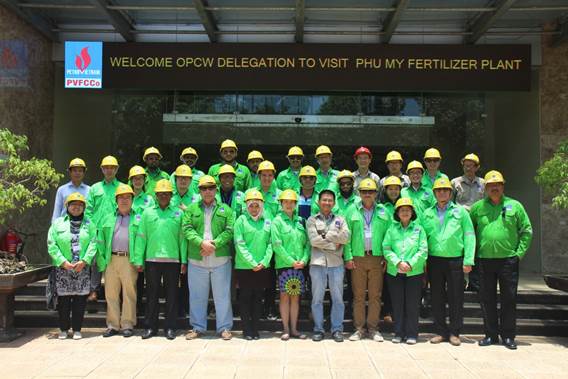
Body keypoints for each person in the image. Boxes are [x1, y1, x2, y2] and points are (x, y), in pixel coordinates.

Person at [470, 170, 533, 350]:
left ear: (503, 186)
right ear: (485, 188)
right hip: (484, 260)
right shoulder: (477, 208)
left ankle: (508, 336)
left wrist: (518, 254)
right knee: (486, 299)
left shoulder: (515, 206)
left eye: (497, 185)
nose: (494, 188)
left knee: (509, 299)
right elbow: (468, 233)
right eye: (490, 185)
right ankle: (490, 335)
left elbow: (527, 231)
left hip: (508, 261)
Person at [421, 178, 475, 346]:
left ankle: (455, 332)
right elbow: (421, 237)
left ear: (451, 193)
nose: (442, 193)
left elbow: (469, 235)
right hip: (434, 260)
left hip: (455, 260)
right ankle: (440, 331)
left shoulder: (461, 212)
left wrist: (469, 259)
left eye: (445, 190)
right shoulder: (427, 213)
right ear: (434, 193)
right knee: (436, 296)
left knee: (455, 296)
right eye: (439, 190)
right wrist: (422, 261)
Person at [133, 179, 187, 340]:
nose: (163, 196)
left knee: (172, 295)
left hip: (173, 261)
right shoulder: (147, 213)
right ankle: (150, 327)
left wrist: (183, 260)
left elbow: (182, 239)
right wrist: (138, 259)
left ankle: (170, 327)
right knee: (152, 295)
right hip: (152, 260)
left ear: (171, 195)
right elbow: (141, 237)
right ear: (156, 195)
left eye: (167, 193)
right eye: (160, 194)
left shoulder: (179, 213)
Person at [183, 175, 235, 341]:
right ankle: (197, 328)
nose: (207, 191)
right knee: (197, 296)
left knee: (222, 296)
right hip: (197, 259)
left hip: (220, 259)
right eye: (204, 188)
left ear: (216, 190)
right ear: (199, 191)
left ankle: (224, 328)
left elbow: (229, 230)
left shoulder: (226, 209)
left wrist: (214, 244)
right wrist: (202, 243)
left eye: (210, 188)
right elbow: (187, 229)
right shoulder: (191, 209)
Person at [344, 179, 390, 342]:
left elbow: (389, 235)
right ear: (359, 193)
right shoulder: (351, 210)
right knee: (358, 296)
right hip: (358, 257)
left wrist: (386, 256)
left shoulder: (384, 211)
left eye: (370, 191)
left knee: (375, 295)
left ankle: (373, 328)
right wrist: (348, 256)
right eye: (364, 191)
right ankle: (359, 329)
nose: (367, 194)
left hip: (377, 257)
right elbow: (346, 236)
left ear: (376, 193)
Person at [47, 192, 97, 340]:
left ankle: (77, 329)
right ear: (67, 206)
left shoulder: (90, 224)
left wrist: (85, 261)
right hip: (63, 268)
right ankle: (63, 329)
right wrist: (62, 261)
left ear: (84, 207)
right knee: (63, 300)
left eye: (80, 205)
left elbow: (94, 243)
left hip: (82, 268)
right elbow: (51, 244)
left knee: (80, 300)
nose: (76, 207)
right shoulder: (57, 224)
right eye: (73, 204)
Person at [382, 198, 428, 345]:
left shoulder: (419, 229)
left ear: (412, 212)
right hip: (394, 272)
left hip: (413, 272)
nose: (405, 212)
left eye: (408, 210)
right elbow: (386, 248)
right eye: (402, 210)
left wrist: (410, 263)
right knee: (397, 303)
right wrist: (397, 262)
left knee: (412, 304)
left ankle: (412, 333)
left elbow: (423, 250)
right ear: (397, 213)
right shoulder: (391, 229)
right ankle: (398, 332)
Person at [307, 190, 350, 342]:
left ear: (334, 202)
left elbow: (345, 237)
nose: (327, 203)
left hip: (336, 264)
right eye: (324, 200)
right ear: (319, 202)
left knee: (337, 298)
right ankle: (318, 329)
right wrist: (334, 244)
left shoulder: (340, 219)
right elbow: (313, 241)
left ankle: (337, 329)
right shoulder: (312, 220)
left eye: (330, 200)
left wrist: (326, 235)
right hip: (317, 264)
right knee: (317, 299)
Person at [97, 184, 140, 338]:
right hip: (111, 259)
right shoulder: (108, 217)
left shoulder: (138, 217)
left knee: (129, 292)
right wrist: (102, 260)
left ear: (132, 199)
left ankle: (127, 324)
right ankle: (113, 325)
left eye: (127, 197)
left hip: (129, 259)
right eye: (121, 197)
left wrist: (139, 260)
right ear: (116, 200)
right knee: (111, 293)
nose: (124, 200)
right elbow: (100, 240)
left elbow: (142, 240)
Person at [233, 189, 273, 340]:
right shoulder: (241, 221)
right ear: (246, 206)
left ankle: (255, 329)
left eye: (257, 205)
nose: (254, 209)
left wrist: (263, 262)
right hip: (245, 267)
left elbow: (271, 243)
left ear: (261, 206)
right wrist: (252, 262)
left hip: (262, 267)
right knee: (245, 298)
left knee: (258, 298)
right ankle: (246, 330)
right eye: (251, 205)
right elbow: (240, 244)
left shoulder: (267, 221)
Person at [271, 190, 310, 341]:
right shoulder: (277, 221)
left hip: (299, 265)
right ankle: (285, 329)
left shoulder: (301, 221)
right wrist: (290, 261)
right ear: (281, 204)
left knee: (296, 298)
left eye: (292, 202)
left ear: (296, 204)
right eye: (285, 202)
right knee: (285, 297)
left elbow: (307, 243)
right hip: (284, 265)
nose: (289, 204)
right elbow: (277, 245)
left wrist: (304, 260)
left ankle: (294, 329)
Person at [85, 155, 123, 303]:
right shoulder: (95, 188)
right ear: (102, 169)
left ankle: (111, 290)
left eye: (112, 168)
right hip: (97, 230)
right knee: (95, 261)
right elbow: (88, 210)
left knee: (112, 262)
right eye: (106, 167)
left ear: (116, 169)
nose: (109, 170)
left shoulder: (121, 187)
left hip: (115, 230)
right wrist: (90, 227)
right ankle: (94, 290)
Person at [451, 153, 485, 292]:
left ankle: (474, 282)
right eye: (466, 165)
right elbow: (450, 202)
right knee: (460, 251)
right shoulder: (455, 182)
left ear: (477, 167)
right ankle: (459, 282)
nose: (468, 168)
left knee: (475, 251)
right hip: (460, 222)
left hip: (478, 222)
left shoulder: (483, 183)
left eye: (471, 166)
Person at [255, 160, 281, 320]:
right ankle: (257, 308)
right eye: (263, 175)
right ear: (258, 176)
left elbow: (280, 216)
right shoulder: (251, 193)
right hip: (256, 240)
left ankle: (270, 307)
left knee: (271, 276)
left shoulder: (280, 194)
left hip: (273, 240)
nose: (266, 178)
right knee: (257, 275)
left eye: (270, 175)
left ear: (274, 176)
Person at [51, 158, 90, 223]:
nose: (77, 173)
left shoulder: (90, 190)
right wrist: (53, 228)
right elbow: (56, 212)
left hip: (84, 227)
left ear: (84, 173)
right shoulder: (62, 190)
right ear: (70, 172)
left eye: (80, 171)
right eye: (74, 170)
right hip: (64, 227)